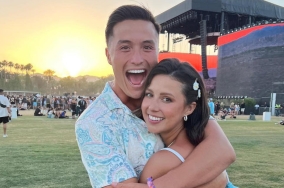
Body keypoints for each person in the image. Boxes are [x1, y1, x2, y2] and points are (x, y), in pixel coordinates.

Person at [75, 5, 235, 188]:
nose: (137, 58)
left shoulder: (171, 88)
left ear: (158, 52)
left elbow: (223, 151)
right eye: (125, 47)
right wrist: (211, 176)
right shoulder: (94, 123)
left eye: (147, 47)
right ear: (108, 55)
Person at [131, 58, 236, 187]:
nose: (152, 107)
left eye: (166, 99)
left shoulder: (163, 160)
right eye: (149, 94)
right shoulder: (201, 138)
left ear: (189, 108)